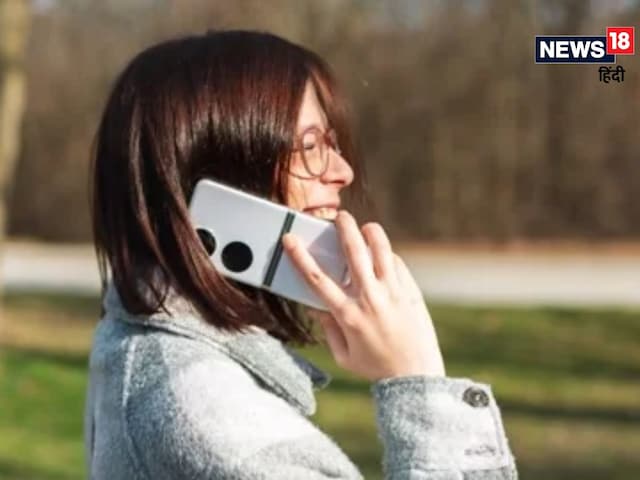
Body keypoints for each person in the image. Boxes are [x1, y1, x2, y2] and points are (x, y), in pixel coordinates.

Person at [85, 30, 518, 479]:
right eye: (310, 147)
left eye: (333, 145)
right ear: (217, 175)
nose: (343, 172)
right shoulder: (213, 424)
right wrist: (418, 379)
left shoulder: (141, 345)